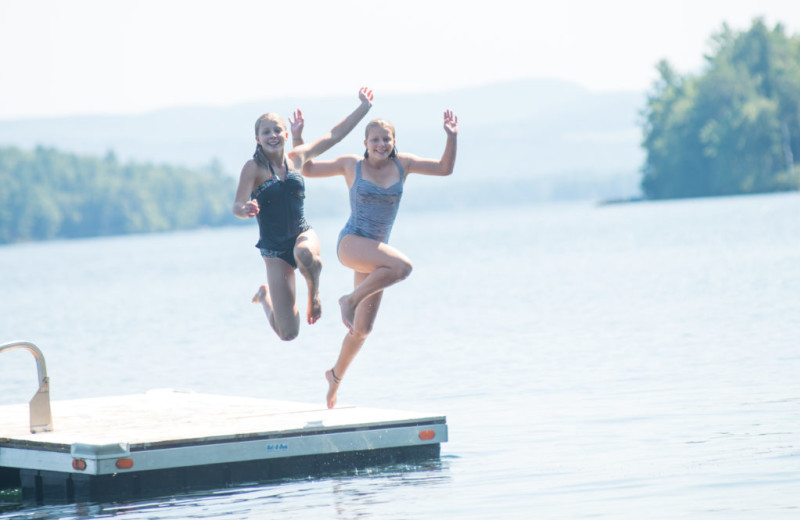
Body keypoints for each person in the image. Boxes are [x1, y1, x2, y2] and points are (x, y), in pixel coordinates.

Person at [303, 110, 458, 408]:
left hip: (376, 253)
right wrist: (298, 136)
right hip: (351, 243)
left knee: (362, 330)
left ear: (393, 141)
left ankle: (334, 378)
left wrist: (451, 136)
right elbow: (307, 168)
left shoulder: (404, 165)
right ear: (366, 142)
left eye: (386, 139)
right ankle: (348, 300)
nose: (381, 144)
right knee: (403, 267)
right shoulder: (352, 165)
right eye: (375, 139)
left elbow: (444, 168)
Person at [233, 88, 373, 342]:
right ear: (257, 138)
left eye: (277, 130)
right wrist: (245, 209)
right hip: (274, 251)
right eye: (266, 132)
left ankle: (315, 294)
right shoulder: (253, 168)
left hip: (302, 234)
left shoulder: (297, 158)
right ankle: (265, 297)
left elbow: (334, 136)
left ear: (286, 134)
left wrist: (364, 108)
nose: (273, 135)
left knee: (305, 253)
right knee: (289, 333)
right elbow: (237, 205)